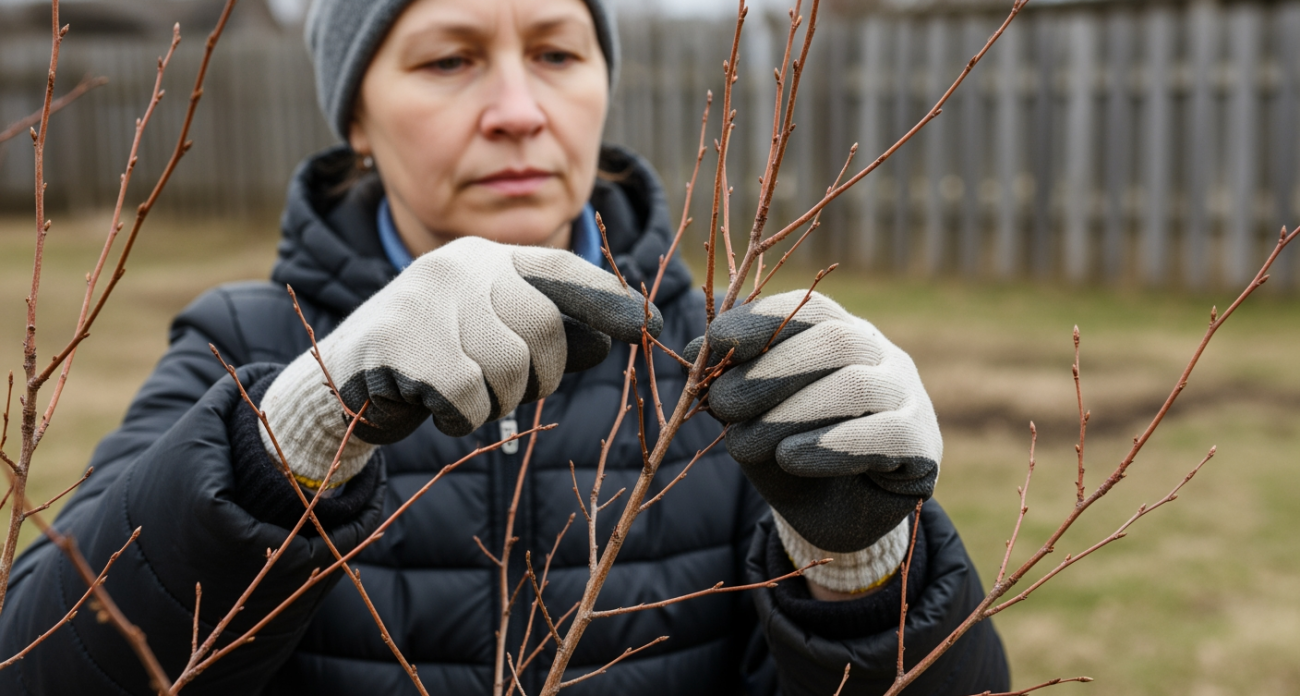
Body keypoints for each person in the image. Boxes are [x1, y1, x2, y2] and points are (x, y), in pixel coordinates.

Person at [0, 0, 1010, 693]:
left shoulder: (736, 374)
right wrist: (296, 437)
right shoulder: (248, 349)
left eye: (560, 55)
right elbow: (39, 664)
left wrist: (860, 566)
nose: (521, 113)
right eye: (449, 60)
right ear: (355, 114)